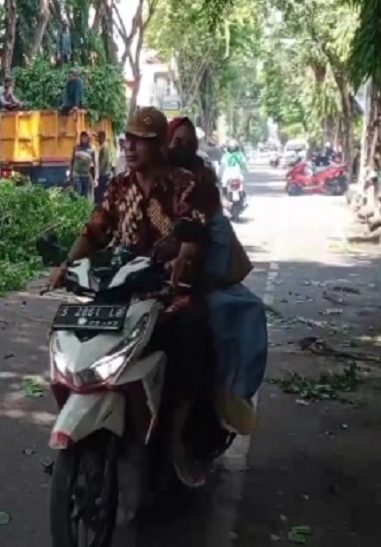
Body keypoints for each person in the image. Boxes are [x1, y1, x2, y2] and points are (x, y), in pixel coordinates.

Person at [50, 107, 214, 487]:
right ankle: (83, 434)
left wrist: (185, 252)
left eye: (140, 140)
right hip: (120, 292)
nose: (130, 146)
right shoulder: (119, 186)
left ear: (159, 146)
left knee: (191, 339)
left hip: (167, 294)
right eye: (128, 139)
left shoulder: (184, 184)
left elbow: (195, 228)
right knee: (77, 338)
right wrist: (66, 264)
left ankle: (176, 437)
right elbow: (94, 231)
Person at [167, 118, 265, 438]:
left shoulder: (203, 183)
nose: (180, 147)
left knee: (243, 313)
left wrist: (200, 278)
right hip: (152, 281)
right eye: (174, 140)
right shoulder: (149, 183)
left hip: (199, 280)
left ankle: (231, 396)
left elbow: (209, 236)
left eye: (186, 141)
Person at [69, 131, 97, 200]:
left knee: (85, 196)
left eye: (85, 137)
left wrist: (96, 178)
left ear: (88, 138)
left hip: (86, 176)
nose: (84, 138)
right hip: (77, 175)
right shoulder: (76, 147)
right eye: (82, 137)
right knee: (77, 194)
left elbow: (96, 163)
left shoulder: (92, 149)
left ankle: (83, 209)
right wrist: (70, 174)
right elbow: (72, 161)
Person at [95, 130, 114, 203]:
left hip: (104, 174)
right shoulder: (103, 147)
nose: (97, 139)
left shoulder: (104, 147)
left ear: (102, 137)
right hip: (104, 174)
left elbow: (104, 162)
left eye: (99, 137)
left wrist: (98, 174)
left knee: (101, 194)